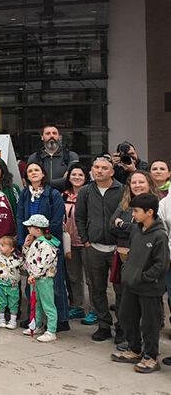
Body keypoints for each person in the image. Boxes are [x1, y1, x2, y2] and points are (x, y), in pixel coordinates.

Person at [111, 193, 168, 373]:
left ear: (149, 212)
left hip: (150, 287)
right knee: (127, 316)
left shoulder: (160, 235)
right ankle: (134, 350)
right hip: (131, 283)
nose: (133, 214)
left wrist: (144, 277)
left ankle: (151, 356)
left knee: (150, 323)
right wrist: (128, 271)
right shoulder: (136, 229)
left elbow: (162, 264)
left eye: (136, 211)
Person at [75, 155, 125, 342]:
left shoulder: (122, 190)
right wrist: (85, 240)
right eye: (96, 167)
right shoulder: (86, 191)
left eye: (104, 168)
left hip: (117, 249)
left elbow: (127, 216)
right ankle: (104, 325)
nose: (99, 170)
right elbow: (79, 217)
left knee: (120, 290)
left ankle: (122, 327)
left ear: (111, 171)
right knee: (97, 289)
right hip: (93, 247)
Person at [16, 161, 69, 332]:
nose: (33, 173)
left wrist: (39, 235)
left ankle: (60, 320)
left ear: (43, 173)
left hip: (48, 244)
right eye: (30, 171)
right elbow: (19, 218)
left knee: (55, 282)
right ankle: (34, 319)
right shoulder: (24, 194)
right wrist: (23, 239)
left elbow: (56, 220)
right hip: (30, 244)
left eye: (36, 170)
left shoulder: (53, 194)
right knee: (31, 282)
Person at [61, 164, 93, 324]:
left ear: (86, 177)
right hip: (69, 241)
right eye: (74, 174)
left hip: (87, 242)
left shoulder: (90, 194)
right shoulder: (63, 195)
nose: (77, 177)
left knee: (91, 278)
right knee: (74, 277)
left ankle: (95, 310)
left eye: (80, 174)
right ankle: (78, 306)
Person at [21, 214, 60, 342]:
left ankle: (51, 330)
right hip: (34, 278)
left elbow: (44, 264)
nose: (28, 228)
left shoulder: (47, 245)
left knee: (48, 304)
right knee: (35, 303)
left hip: (43, 279)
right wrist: (26, 246)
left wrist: (34, 275)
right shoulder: (36, 242)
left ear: (38, 230)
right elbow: (29, 258)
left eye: (30, 227)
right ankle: (36, 325)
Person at [26, 124, 80, 190]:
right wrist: (60, 180)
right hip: (41, 196)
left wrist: (42, 182)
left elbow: (69, 180)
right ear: (42, 137)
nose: (51, 136)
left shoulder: (71, 156)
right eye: (48, 133)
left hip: (64, 197)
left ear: (59, 136)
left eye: (54, 133)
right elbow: (29, 180)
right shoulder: (34, 158)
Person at [0, 235, 22, 329]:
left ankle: (12, 321)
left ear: (11, 249)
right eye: (0, 245)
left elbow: (24, 266)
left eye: (3, 245)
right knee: (0, 302)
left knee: (14, 302)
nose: (0, 247)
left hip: (13, 285)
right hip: (1, 284)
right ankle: (1, 319)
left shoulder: (17, 258)